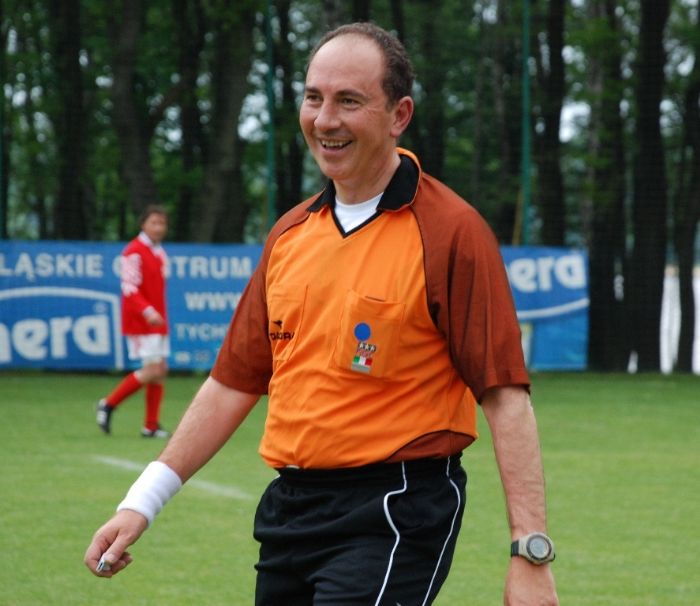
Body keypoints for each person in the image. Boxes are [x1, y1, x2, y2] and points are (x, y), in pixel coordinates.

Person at [85, 22, 558, 605]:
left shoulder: (451, 232)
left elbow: (505, 395)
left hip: (395, 506)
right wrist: (141, 501)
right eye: (314, 97)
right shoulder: (289, 234)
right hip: (290, 509)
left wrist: (529, 551)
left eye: (349, 101)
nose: (325, 119)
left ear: (399, 114)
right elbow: (232, 383)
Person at [95, 205, 171, 438]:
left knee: (159, 371)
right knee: (153, 369)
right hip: (141, 321)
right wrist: (147, 311)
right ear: (143, 225)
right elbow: (129, 287)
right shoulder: (133, 252)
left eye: (162, 223)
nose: (158, 228)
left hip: (157, 321)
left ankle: (150, 426)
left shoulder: (158, 252)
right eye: (154, 223)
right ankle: (108, 403)